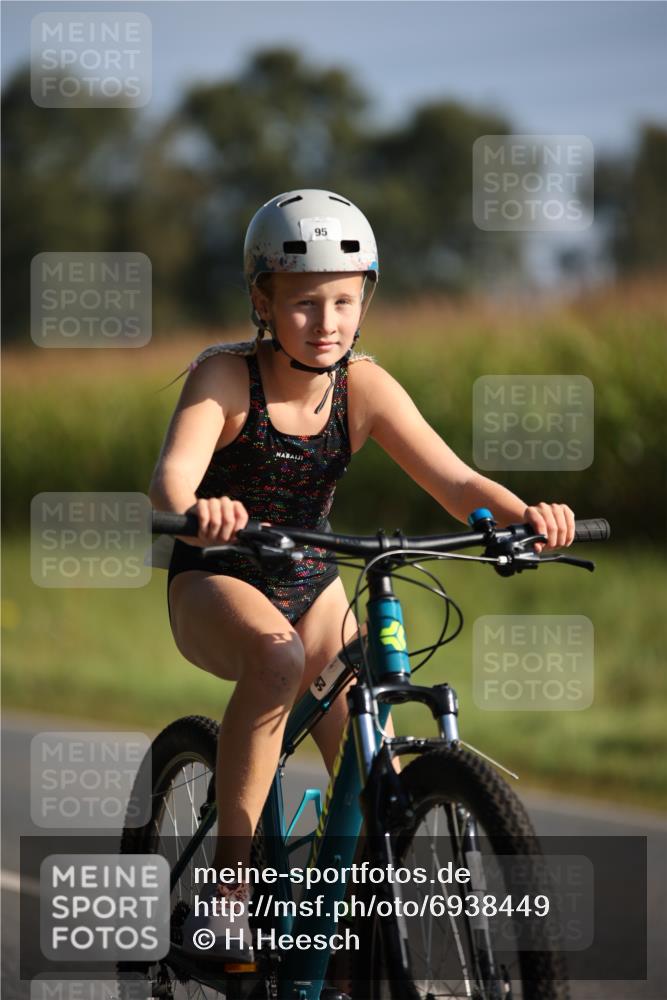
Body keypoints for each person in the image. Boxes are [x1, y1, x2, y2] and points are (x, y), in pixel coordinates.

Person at [148, 189, 576, 965]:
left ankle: (344, 942)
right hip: (216, 575)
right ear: (261, 301)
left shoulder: (365, 388)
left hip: (312, 578)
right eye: (306, 304)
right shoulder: (222, 378)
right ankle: (228, 896)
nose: (329, 322)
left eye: (345, 300)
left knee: (368, 753)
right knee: (275, 660)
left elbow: (456, 483)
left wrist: (526, 516)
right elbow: (171, 479)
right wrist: (197, 507)